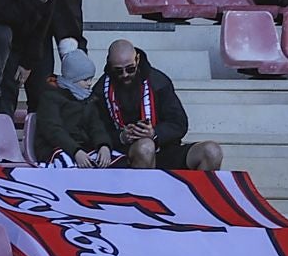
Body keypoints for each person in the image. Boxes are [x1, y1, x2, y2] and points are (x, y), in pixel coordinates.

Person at [90, 39, 223, 172]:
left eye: (130, 69)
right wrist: (121, 137)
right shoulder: (101, 90)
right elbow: (95, 131)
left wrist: (154, 133)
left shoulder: (158, 82)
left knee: (212, 151)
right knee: (145, 147)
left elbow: (179, 124)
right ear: (109, 65)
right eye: (118, 71)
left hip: (166, 149)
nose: (125, 75)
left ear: (137, 59)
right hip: (127, 155)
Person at [35, 44, 116, 168]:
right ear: (72, 79)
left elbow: (96, 126)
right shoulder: (50, 97)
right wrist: (75, 151)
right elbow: (53, 130)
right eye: (85, 80)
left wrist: (103, 145)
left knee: (115, 161)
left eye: (91, 79)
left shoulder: (88, 99)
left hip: (83, 148)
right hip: (53, 148)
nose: (90, 84)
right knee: (67, 164)